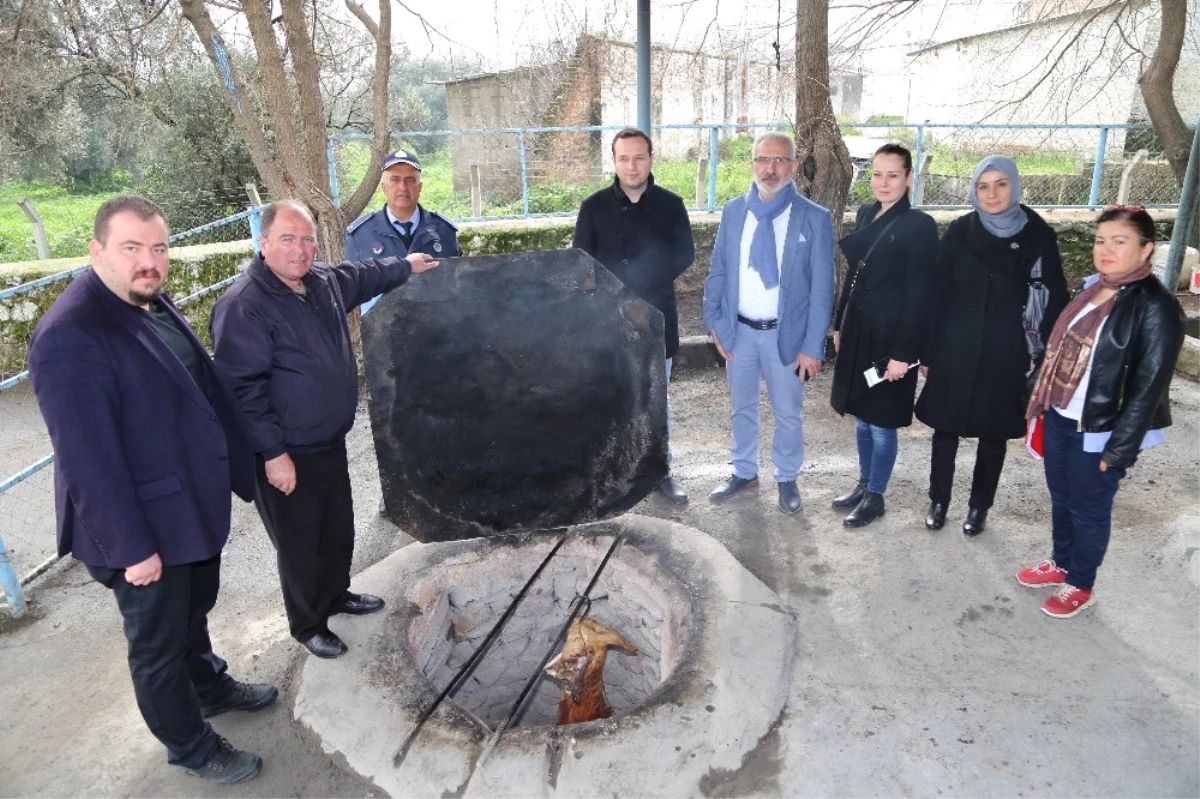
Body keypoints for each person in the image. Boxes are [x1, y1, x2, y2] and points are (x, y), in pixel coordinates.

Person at [28, 196, 275, 785]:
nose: (149, 261)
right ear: (96, 252)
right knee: (157, 646)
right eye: (131, 248)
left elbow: (196, 386)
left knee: (193, 612)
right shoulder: (68, 334)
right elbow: (88, 460)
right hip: (140, 525)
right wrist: (130, 548)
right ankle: (191, 747)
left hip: (187, 505)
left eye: (158, 248)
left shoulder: (147, 298)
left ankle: (209, 685)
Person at [210, 200, 438, 659]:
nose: (300, 249)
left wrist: (406, 266)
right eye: (288, 239)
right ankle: (308, 623)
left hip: (328, 441)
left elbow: (364, 275)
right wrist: (273, 454)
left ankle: (337, 595)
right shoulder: (243, 306)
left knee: (337, 529)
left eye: (308, 238)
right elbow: (241, 391)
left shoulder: (322, 283)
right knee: (299, 545)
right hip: (286, 453)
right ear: (264, 243)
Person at [1019, 205, 1185, 618]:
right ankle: (1061, 563)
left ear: (1146, 249)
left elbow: (1149, 388)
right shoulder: (1092, 288)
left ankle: (1080, 582)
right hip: (1060, 415)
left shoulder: (1157, 306)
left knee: (1089, 506)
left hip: (1100, 429)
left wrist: (1120, 450)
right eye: (1100, 240)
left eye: (1119, 241)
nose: (1105, 250)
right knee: (1061, 496)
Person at [915, 155, 1068, 536]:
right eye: (983, 186)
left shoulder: (1037, 234)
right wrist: (929, 351)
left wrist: (1043, 356)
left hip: (1006, 349)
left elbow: (1052, 299)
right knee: (945, 429)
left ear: (1014, 186)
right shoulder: (959, 232)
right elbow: (936, 295)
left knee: (994, 433)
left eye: (1000, 184)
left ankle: (979, 507)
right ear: (974, 191)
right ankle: (939, 500)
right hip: (955, 345)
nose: (992, 193)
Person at [703, 131, 835, 515]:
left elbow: (823, 289)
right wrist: (714, 323)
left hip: (787, 337)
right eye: (763, 159)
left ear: (793, 167)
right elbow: (719, 272)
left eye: (780, 161)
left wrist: (813, 346)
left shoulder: (814, 218)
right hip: (739, 333)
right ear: (752, 164)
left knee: (787, 412)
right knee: (741, 408)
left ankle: (786, 477)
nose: (771, 168)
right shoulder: (732, 212)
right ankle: (745, 472)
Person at [573, 127, 696, 504]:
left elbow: (685, 254)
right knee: (613, 400)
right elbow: (582, 262)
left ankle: (660, 472)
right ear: (614, 161)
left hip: (656, 318)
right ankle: (615, 475)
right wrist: (615, 297)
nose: (632, 165)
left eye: (639, 157)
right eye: (624, 158)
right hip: (607, 323)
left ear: (651, 159)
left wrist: (645, 289)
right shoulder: (593, 207)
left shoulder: (671, 205)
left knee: (656, 401)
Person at [830, 144, 940, 527]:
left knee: (881, 422)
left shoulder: (920, 226)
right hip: (860, 330)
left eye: (893, 175)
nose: (884, 182)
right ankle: (864, 484)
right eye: (877, 174)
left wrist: (904, 353)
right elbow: (855, 277)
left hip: (894, 339)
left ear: (909, 178)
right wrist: (840, 323)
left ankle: (876, 496)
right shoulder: (865, 213)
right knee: (862, 415)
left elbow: (923, 296)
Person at [344, 148, 460, 314]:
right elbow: (351, 292)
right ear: (384, 187)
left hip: (437, 330)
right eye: (395, 179)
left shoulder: (444, 231)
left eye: (410, 179)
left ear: (420, 187)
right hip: (381, 334)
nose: (403, 186)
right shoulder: (360, 235)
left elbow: (456, 286)